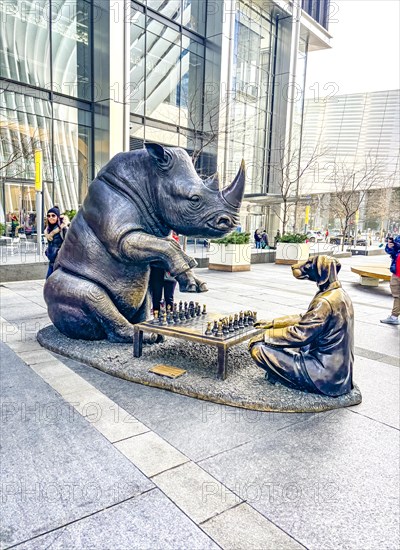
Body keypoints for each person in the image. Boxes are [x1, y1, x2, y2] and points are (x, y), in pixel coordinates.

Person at [149, 231, 180, 313]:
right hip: (156, 270)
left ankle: (169, 315)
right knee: (156, 296)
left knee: (168, 297)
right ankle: (156, 315)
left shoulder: (174, 243)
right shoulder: (154, 239)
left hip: (169, 272)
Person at [380, 235, 400, 325]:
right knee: (397, 295)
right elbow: (390, 251)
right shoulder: (398, 238)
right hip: (397, 272)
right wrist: (389, 246)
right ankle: (394, 317)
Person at [44, 206, 68, 279]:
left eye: (53, 215)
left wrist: (59, 252)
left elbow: (68, 244)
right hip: (51, 260)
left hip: (60, 261)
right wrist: (47, 251)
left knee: (54, 281)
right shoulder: (48, 230)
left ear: (57, 217)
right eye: (48, 215)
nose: (50, 217)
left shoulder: (63, 229)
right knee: (49, 280)